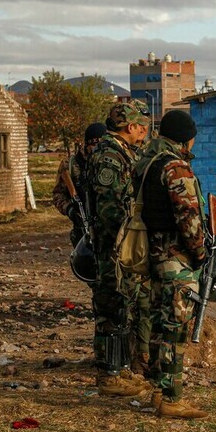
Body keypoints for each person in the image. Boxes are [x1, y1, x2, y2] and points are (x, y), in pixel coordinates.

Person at [133, 110, 208, 419]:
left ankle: (156, 389)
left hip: (152, 255)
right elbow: (188, 218)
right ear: (185, 138)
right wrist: (200, 253)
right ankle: (171, 398)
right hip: (176, 259)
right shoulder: (176, 168)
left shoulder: (147, 163)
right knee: (175, 329)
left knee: (157, 324)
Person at [85, 100, 151, 397]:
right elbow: (110, 209)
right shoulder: (109, 156)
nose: (144, 132)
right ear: (130, 126)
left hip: (120, 246)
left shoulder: (123, 152)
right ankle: (108, 375)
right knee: (111, 306)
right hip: (112, 247)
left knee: (123, 306)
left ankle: (121, 368)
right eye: (141, 127)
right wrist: (125, 243)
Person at [52, 122, 107, 247]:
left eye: (102, 144)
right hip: (82, 230)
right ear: (87, 144)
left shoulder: (109, 163)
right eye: (94, 144)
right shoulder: (70, 165)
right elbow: (58, 194)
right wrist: (70, 210)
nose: (98, 149)